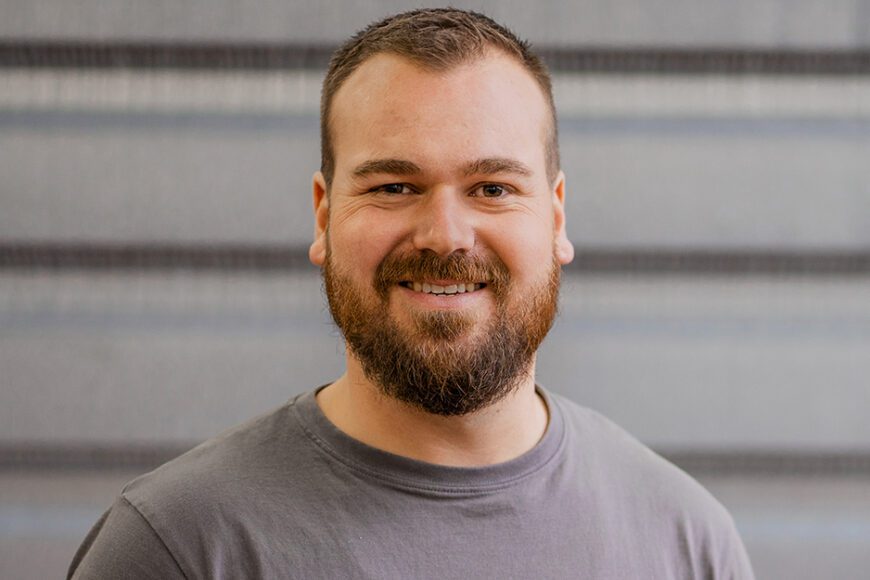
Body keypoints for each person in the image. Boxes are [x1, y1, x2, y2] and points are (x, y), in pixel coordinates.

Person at [69, 8, 754, 579]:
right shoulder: (181, 547)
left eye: (492, 188)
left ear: (556, 216)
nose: (445, 236)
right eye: (394, 186)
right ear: (323, 216)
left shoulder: (685, 541)